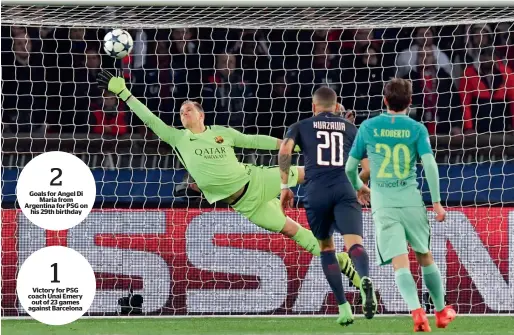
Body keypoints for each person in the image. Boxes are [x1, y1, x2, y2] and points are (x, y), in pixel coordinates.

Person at [96, 70, 360, 287]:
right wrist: (124, 93)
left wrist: (296, 146)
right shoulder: (178, 138)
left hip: (255, 180)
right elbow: (151, 120)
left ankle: (356, 178)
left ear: (201, 115)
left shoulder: (222, 132)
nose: (183, 113)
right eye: (180, 112)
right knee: (293, 231)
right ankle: (342, 262)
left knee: (309, 173)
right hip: (245, 205)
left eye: (188, 109)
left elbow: (255, 141)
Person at [345, 78, 456, 332]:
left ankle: (417, 312)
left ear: (384, 100)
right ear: (410, 101)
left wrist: (359, 187)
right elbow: (429, 165)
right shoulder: (417, 129)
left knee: (400, 262)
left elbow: (350, 168)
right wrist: (437, 203)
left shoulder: (369, 126)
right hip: (411, 201)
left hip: (383, 204)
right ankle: (440, 312)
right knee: (425, 256)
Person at [278, 87, 375, 326]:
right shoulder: (352, 129)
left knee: (326, 248)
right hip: (344, 189)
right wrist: (358, 184)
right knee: (355, 244)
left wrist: (285, 187)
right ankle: (364, 280)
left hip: (316, 191)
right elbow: (369, 168)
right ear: (336, 106)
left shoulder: (301, 125)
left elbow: (284, 150)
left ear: (314, 106)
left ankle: (343, 308)